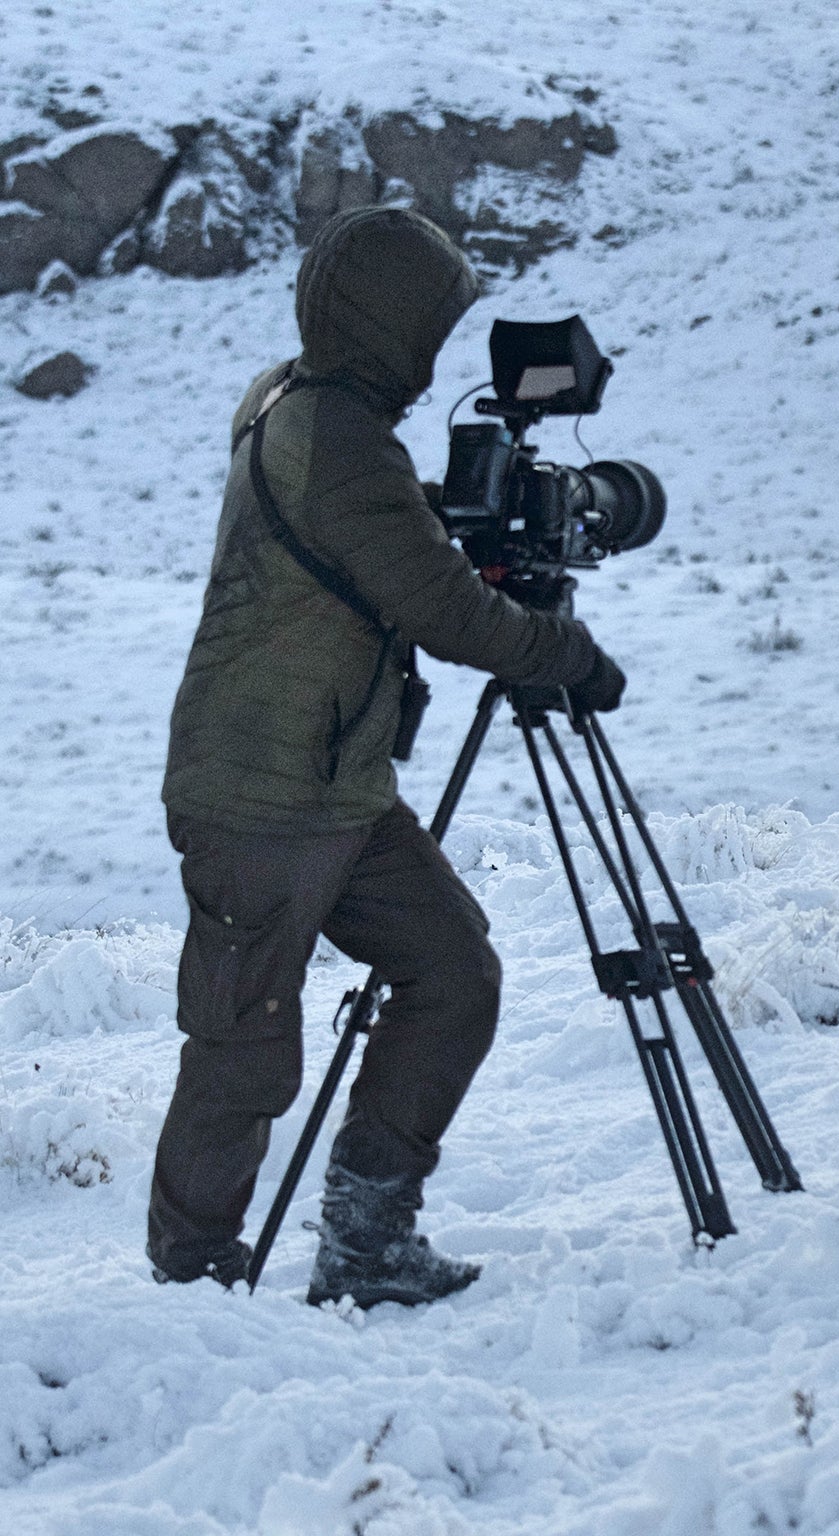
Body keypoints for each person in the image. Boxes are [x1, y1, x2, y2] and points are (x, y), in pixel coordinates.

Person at [150, 205, 626, 1307]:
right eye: (427, 325)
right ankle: (189, 1290)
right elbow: (446, 615)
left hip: (335, 785)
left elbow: (375, 552)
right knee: (244, 1043)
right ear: (390, 324)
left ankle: (366, 1240)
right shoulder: (340, 437)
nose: (432, 354)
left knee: (453, 971)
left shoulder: (294, 398)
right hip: (260, 793)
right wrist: (566, 653)